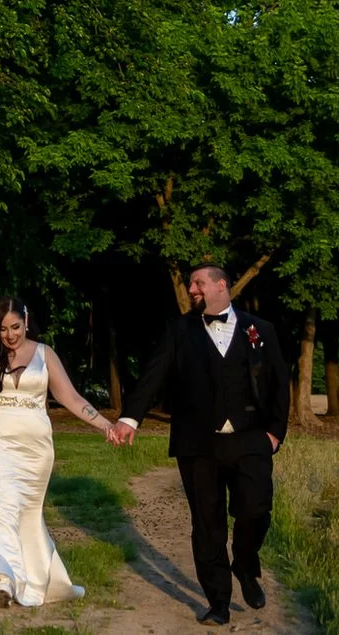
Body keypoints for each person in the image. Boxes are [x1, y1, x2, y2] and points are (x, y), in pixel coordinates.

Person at [116, 261, 293, 626]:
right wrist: (130, 417)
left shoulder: (261, 329)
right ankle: (218, 602)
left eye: (198, 283)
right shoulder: (178, 330)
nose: (192, 290)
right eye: (191, 284)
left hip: (251, 438)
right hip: (197, 443)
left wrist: (275, 432)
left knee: (256, 509)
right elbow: (154, 374)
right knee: (208, 524)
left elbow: (279, 381)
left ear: (221, 285)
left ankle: (244, 564)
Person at [0, 295, 125, 608]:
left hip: (36, 450)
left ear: (26, 322)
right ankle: (4, 580)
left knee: (26, 513)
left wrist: (105, 425)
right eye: (3, 329)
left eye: (15, 327)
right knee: (1, 505)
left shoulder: (45, 354)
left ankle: (32, 577)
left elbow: (70, 397)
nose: (10, 335)